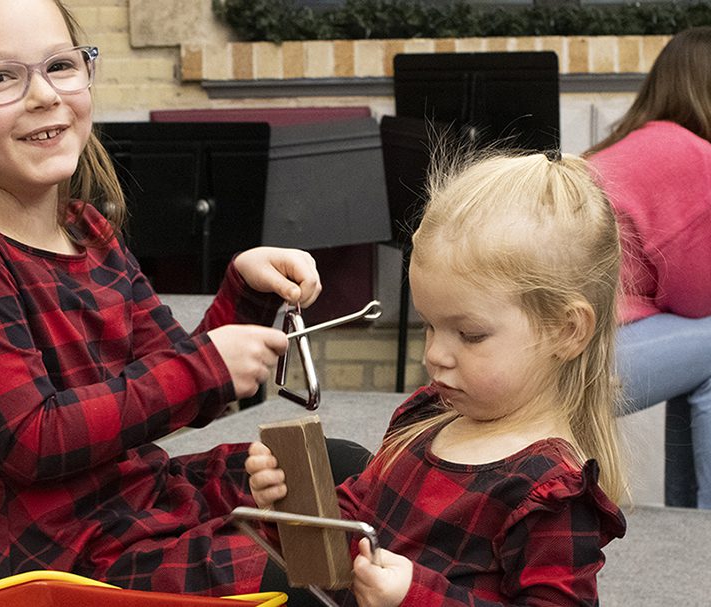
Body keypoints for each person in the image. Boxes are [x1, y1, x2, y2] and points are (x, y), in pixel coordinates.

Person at [0, 0, 335, 597]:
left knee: (340, 467)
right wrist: (206, 366)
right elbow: (33, 440)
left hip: (137, 508)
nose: (44, 95)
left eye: (60, 66)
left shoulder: (89, 231)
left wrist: (244, 292)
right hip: (59, 562)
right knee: (306, 579)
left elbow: (180, 381)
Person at [247, 152, 628, 606]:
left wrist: (414, 597)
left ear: (566, 331)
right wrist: (291, 510)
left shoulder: (551, 493)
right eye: (429, 325)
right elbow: (354, 527)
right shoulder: (428, 414)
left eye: (469, 334)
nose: (435, 355)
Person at [584, 26, 711, 508]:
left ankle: (692, 518)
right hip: (583, 356)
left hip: (550, 341)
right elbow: (697, 301)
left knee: (701, 363)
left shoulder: (636, 143)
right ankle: (700, 520)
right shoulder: (695, 158)